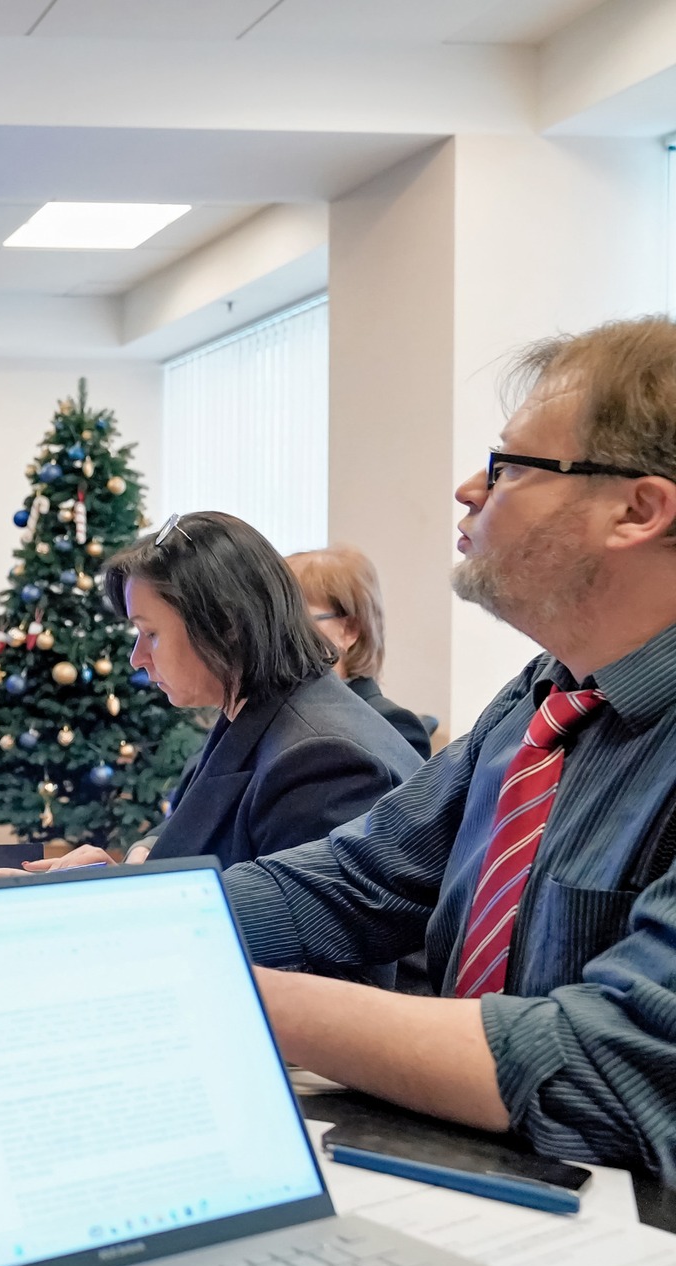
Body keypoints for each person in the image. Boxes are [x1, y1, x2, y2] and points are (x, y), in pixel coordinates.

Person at [225, 316, 676, 1174]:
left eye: (510, 467)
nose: (470, 489)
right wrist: (117, 919)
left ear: (637, 510)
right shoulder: (543, 695)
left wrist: (221, 988)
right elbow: (358, 879)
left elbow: (616, 1062)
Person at [0, 511, 419, 876]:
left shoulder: (323, 759)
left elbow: (293, 942)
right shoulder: (262, 711)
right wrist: (121, 876)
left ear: (226, 627)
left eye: (150, 633)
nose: (136, 658)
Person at [287, 544, 434, 759]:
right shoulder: (269, 715)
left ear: (349, 630)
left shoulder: (391, 724)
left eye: (297, 619)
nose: (281, 632)